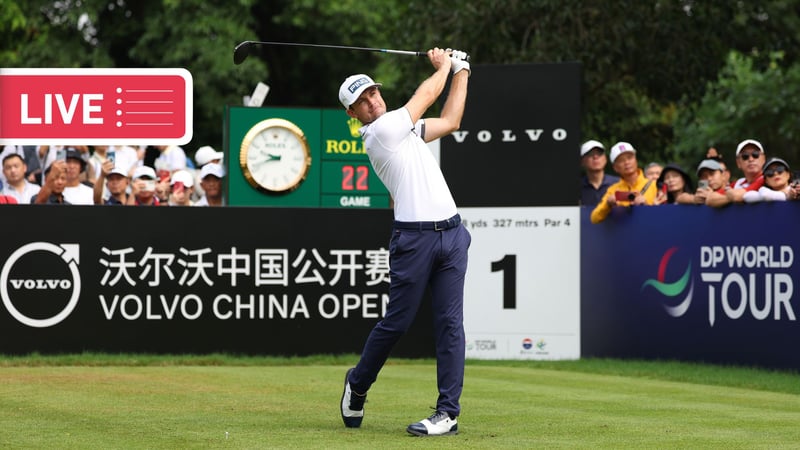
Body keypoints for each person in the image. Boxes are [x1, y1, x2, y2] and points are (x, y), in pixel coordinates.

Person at [337, 47, 471, 437]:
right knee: (397, 323)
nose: (371, 101)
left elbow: (451, 119)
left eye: (373, 93)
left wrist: (462, 71)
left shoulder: (406, 129)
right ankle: (358, 383)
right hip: (414, 239)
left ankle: (448, 412)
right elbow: (428, 96)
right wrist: (444, 64)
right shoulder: (380, 132)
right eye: (361, 101)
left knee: (450, 325)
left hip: (452, 234)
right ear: (354, 114)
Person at [590, 142, 657, 224]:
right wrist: (608, 204)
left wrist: (645, 205)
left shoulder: (654, 185)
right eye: (621, 160)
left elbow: (665, 215)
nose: (627, 162)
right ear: (615, 167)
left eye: (629, 158)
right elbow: (594, 218)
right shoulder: (613, 190)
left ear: (635, 160)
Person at [580, 140, 619, 207]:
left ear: (605, 159)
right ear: (582, 161)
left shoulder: (618, 183)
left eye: (599, 153)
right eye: (590, 154)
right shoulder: (576, 187)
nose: (595, 157)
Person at [727, 139, 765, 203]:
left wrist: (729, 194)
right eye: (745, 156)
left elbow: (737, 196)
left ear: (763, 159)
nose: (751, 159)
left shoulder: (768, 178)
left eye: (755, 154)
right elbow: (711, 198)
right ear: (738, 162)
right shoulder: (738, 183)